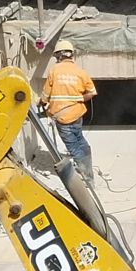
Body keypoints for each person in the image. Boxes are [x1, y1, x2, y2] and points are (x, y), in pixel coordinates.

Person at [41, 41, 97, 179]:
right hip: (77, 114)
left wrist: (42, 102)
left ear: (59, 56)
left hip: (63, 118)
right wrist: (77, 99)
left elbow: (45, 96)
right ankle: (88, 166)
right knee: (80, 141)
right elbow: (92, 93)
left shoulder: (54, 71)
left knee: (73, 147)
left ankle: (87, 176)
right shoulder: (80, 72)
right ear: (71, 55)